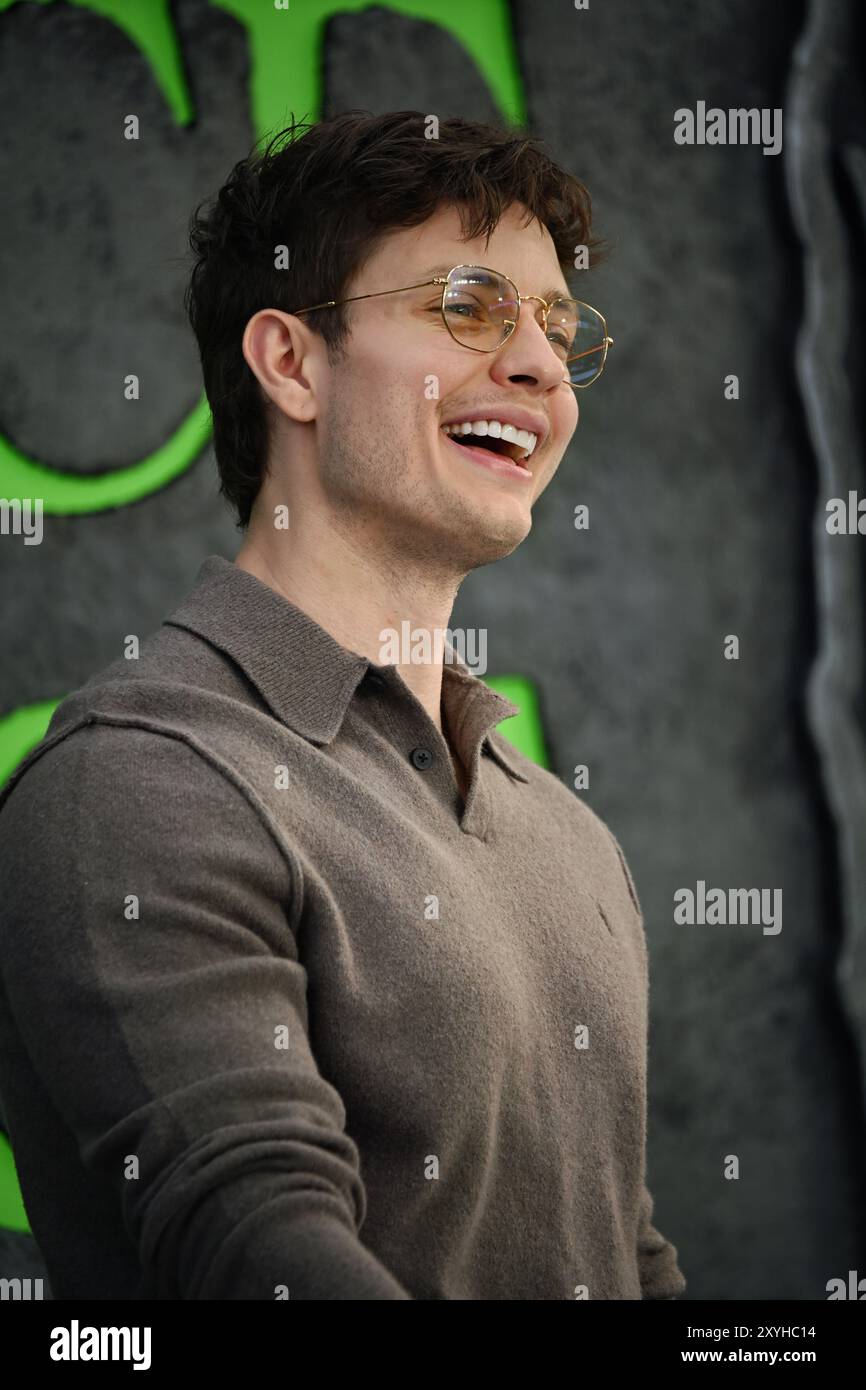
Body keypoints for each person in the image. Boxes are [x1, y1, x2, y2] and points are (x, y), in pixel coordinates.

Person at [0, 110, 685, 1300]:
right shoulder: (142, 778)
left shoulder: (566, 836)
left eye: (557, 328)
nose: (537, 365)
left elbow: (626, 1264)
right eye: (469, 307)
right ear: (289, 362)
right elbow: (261, 1257)